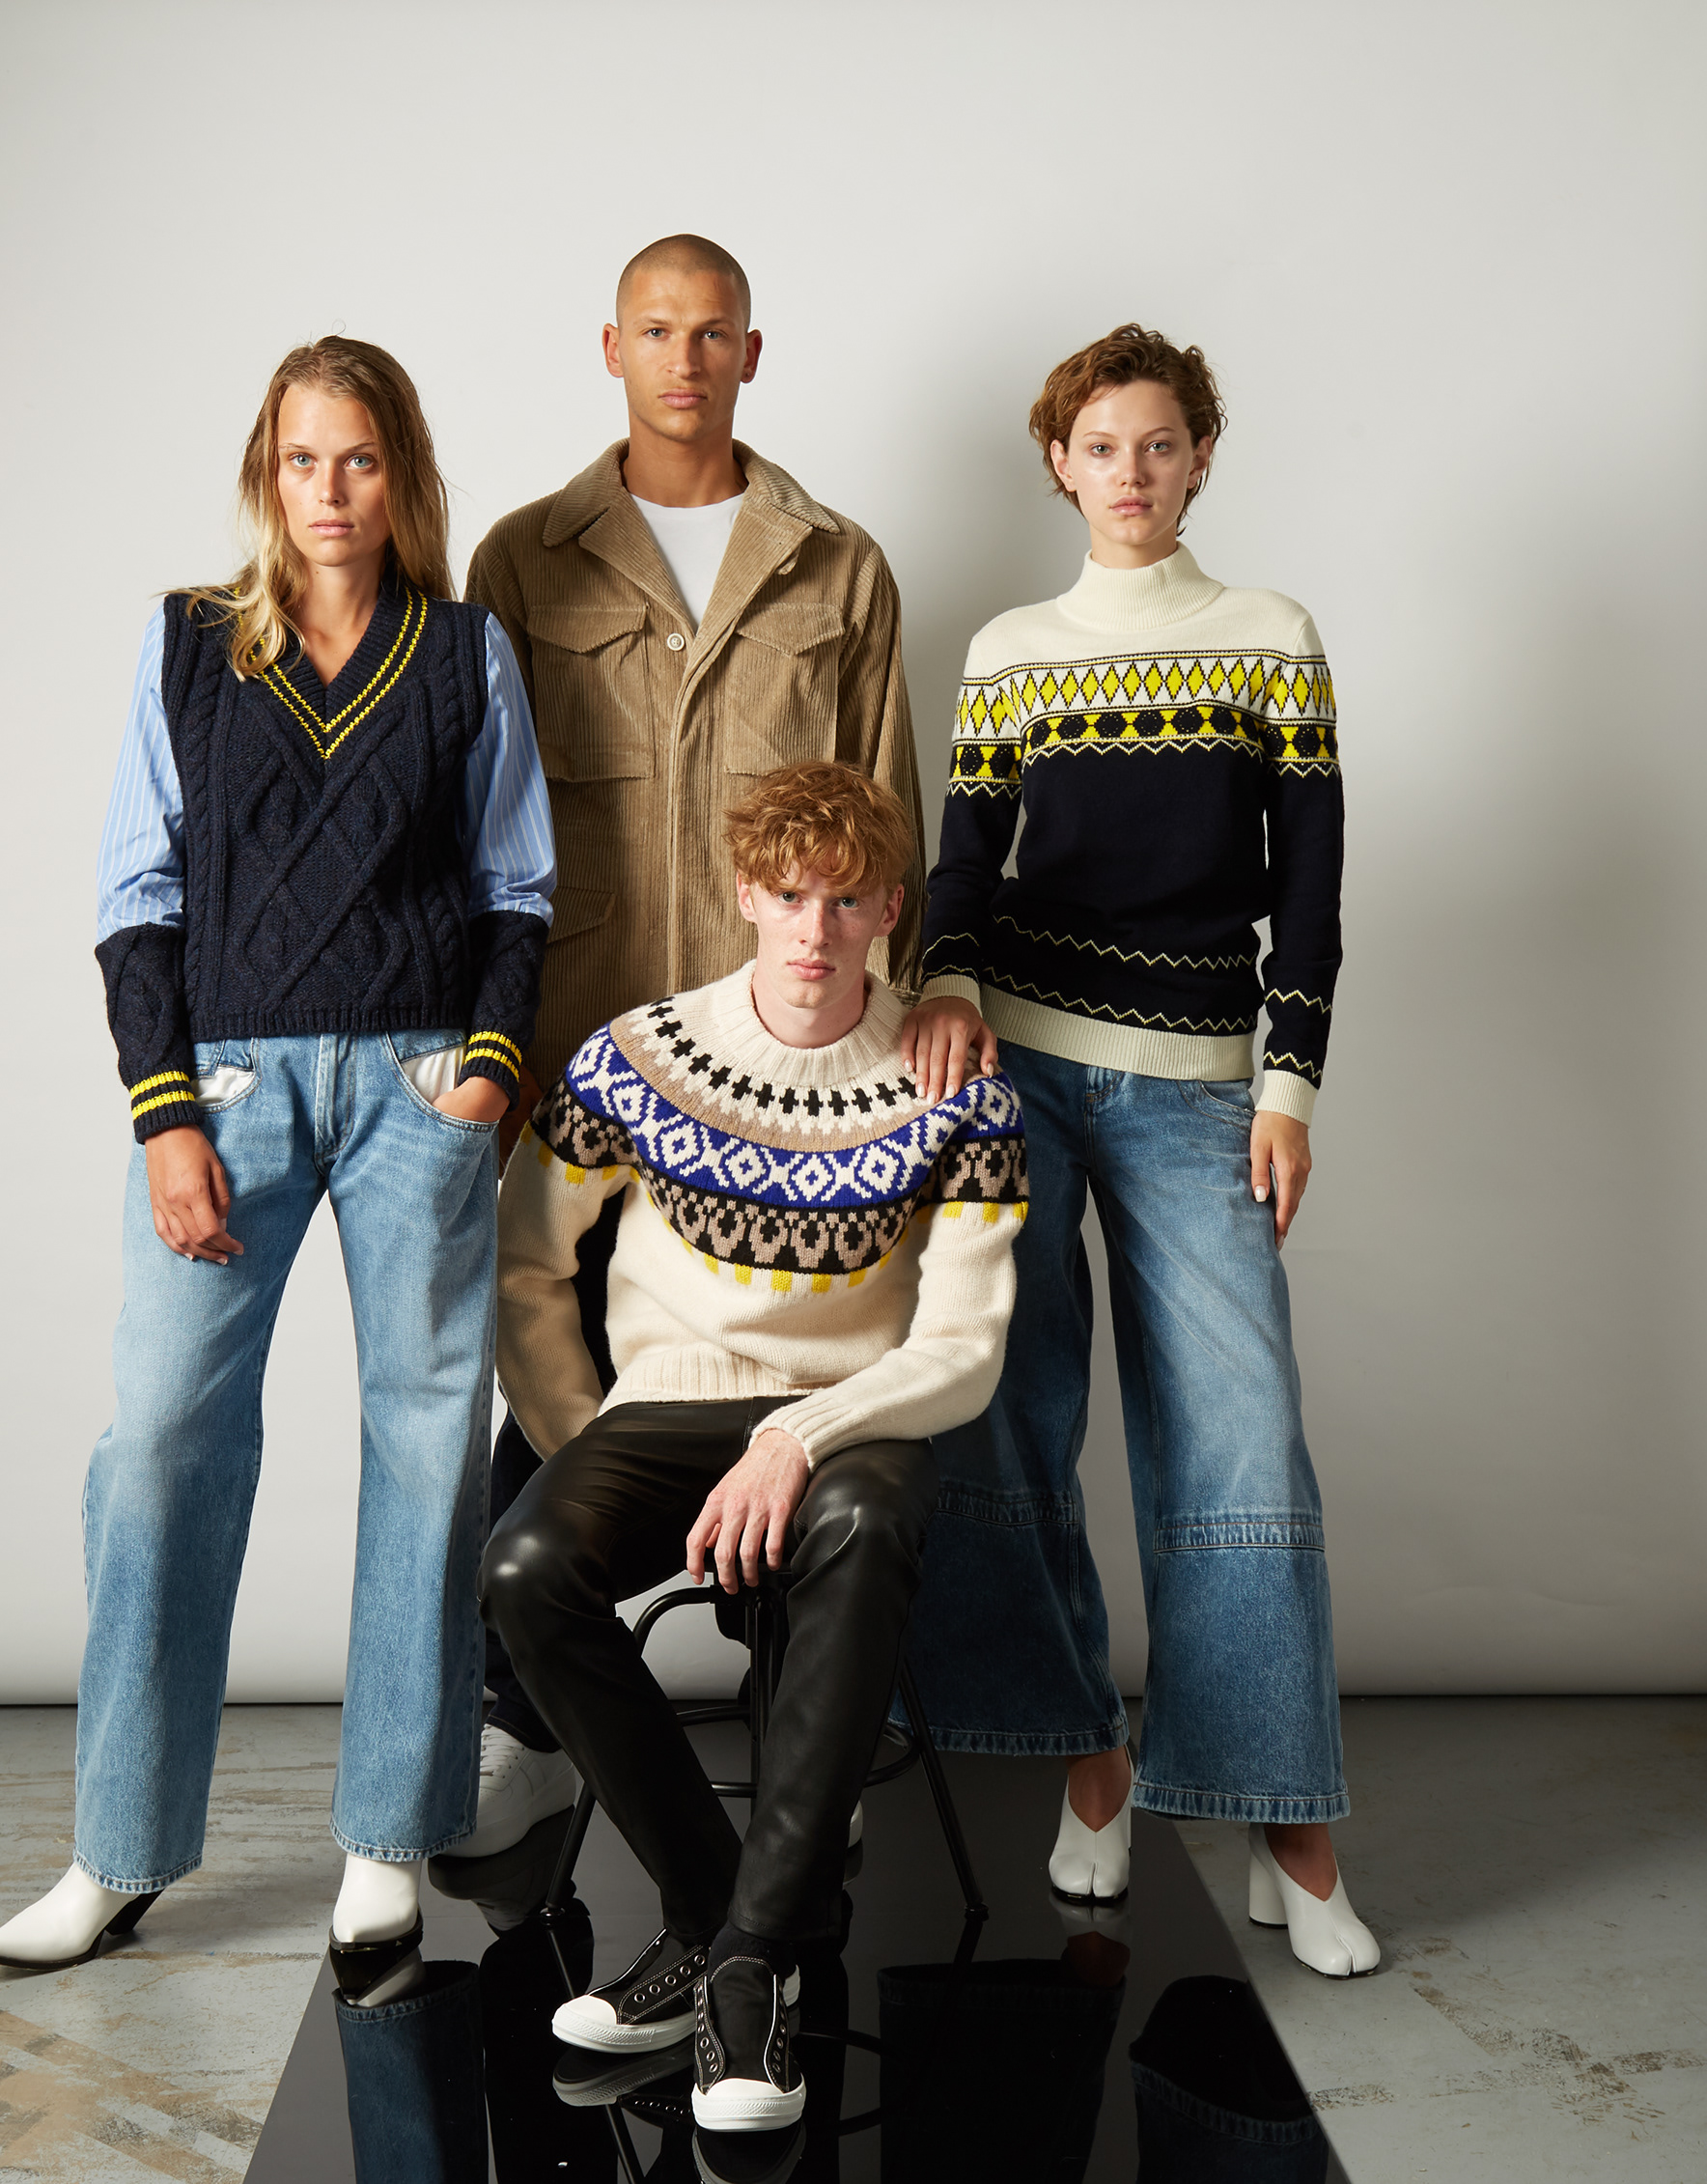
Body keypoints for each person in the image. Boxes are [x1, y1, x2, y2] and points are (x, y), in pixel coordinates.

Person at [0, 338, 555, 1977]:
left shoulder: (466, 653)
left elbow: (518, 889)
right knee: (161, 1439)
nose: (330, 491)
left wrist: (484, 1080)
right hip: (227, 1088)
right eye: (303, 460)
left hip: (420, 1082)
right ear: (265, 472)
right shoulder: (188, 645)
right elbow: (134, 899)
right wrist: (165, 1111)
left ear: (401, 474)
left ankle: (388, 1837)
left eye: (359, 459)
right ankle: (116, 1849)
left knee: (427, 1446)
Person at [902, 324, 1379, 1978]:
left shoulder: (1270, 639)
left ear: (1200, 459)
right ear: (1060, 463)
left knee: (1240, 1442)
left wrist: (1289, 1086)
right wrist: (946, 988)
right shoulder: (1010, 650)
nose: (1130, 471)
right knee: (1009, 1415)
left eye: (1159, 443)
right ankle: (1087, 1763)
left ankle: (1286, 1828)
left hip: (1198, 1090)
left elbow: (1309, 886)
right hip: (1019, 1075)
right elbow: (963, 867)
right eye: (1101, 445)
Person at [459, 234, 924, 1856]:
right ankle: (523, 1722)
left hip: (795, 1079)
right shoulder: (527, 562)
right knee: (554, 1387)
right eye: (655, 329)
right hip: (580, 1067)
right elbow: (480, 829)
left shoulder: (836, 565)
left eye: (713, 331)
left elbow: (888, 826)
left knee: (802, 1380)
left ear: (751, 352)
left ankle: (807, 1748)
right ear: (612, 348)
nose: (685, 356)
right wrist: (489, 1041)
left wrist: (890, 1057)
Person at [481, 762, 1025, 2130]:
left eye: (846, 901)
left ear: (891, 909)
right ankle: (724, 1920)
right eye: (789, 897)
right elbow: (526, 1260)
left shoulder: (959, 1089)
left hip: (857, 1416)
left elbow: (963, 1348)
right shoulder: (640, 1055)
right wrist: (584, 1440)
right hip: (664, 1412)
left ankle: (744, 1965)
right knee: (526, 1565)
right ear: (745, 896)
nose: (814, 931)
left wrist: (799, 1434)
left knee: (864, 1522)